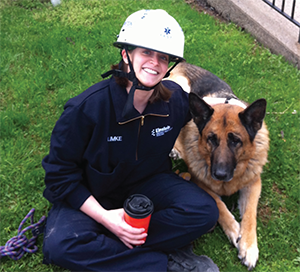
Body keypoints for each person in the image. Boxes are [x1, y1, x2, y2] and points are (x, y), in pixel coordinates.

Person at [42, 9, 219, 272]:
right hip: (93, 193)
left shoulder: (176, 101)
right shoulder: (86, 110)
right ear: (126, 54)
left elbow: (212, 117)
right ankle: (166, 262)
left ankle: (107, 244)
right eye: (146, 52)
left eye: (163, 57)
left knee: (204, 211)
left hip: (148, 184)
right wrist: (105, 218)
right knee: (60, 245)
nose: (155, 63)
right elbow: (59, 176)